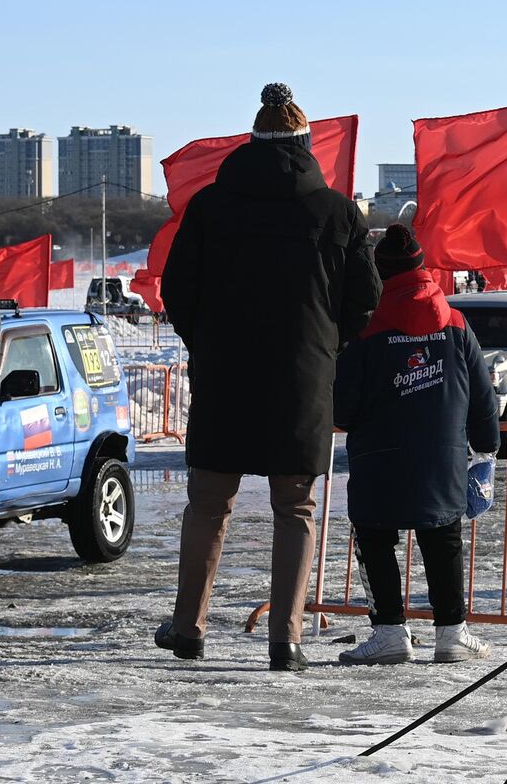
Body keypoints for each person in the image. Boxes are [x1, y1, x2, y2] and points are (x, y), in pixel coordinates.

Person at [155, 83, 381, 670]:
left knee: (208, 502)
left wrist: (204, 339)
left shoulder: (210, 206)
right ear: (307, 144)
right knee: (296, 507)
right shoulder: (335, 210)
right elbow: (366, 297)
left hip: (225, 373)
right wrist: (328, 343)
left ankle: (189, 628)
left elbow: (177, 291)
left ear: (249, 141)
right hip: (304, 378)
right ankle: (287, 640)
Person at [332, 224, 499, 665]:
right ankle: (452, 633)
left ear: (379, 273)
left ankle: (389, 631)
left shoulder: (366, 332)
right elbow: (483, 397)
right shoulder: (457, 326)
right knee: (442, 537)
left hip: (378, 460)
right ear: (423, 269)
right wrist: (486, 449)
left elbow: (342, 409)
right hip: (441, 460)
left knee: (374, 538)